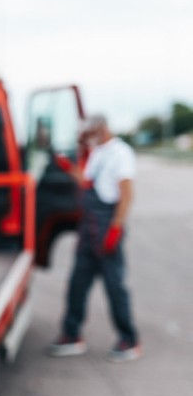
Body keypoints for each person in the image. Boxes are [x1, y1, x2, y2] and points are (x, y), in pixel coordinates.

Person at [47, 114, 141, 362]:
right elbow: (88, 182)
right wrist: (67, 167)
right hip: (88, 229)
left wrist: (115, 229)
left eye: (92, 131)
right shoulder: (97, 152)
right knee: (77, 284)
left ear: (103, 127)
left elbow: (127, 194)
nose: (89, 136)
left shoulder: (121, 153)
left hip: (106, 226)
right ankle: (71, 334)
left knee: (115, 287)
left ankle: (129, 339)